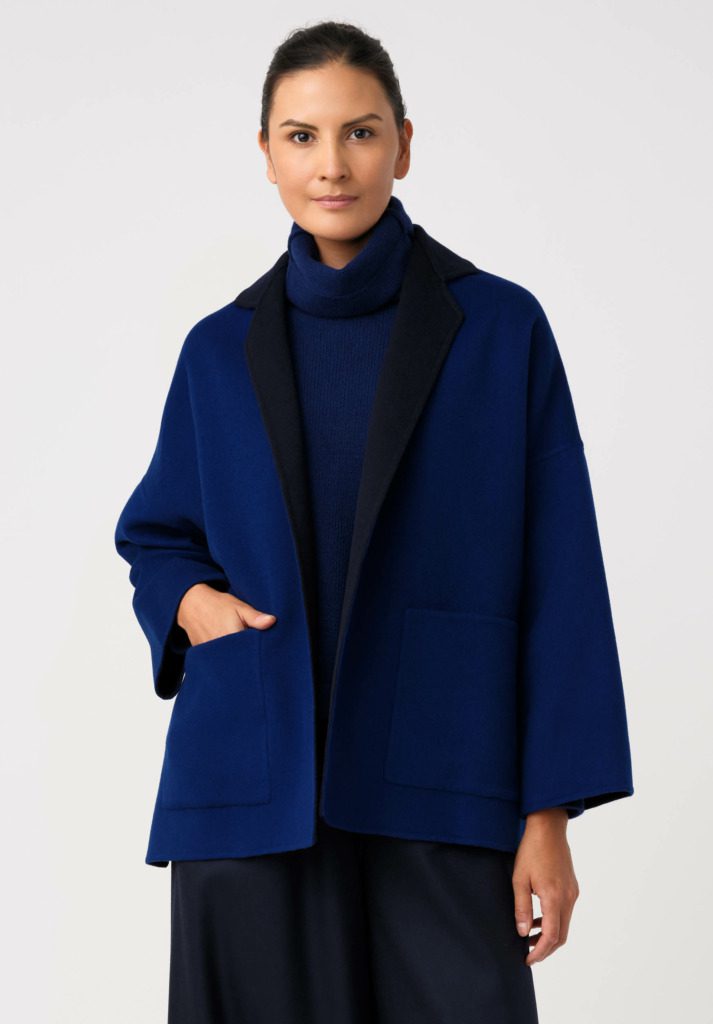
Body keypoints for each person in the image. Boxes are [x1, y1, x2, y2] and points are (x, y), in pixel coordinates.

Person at [114, 20, 634, 1024]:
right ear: (265, 153)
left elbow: (560, 572)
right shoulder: (218, 350)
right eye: (301, 136)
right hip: (252, 788)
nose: (332, 164)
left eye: (359, 132)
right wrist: (189, 604)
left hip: (443, 778)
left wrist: (548, 813)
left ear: (402, 143)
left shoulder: (499, 330)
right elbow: (158, 532)